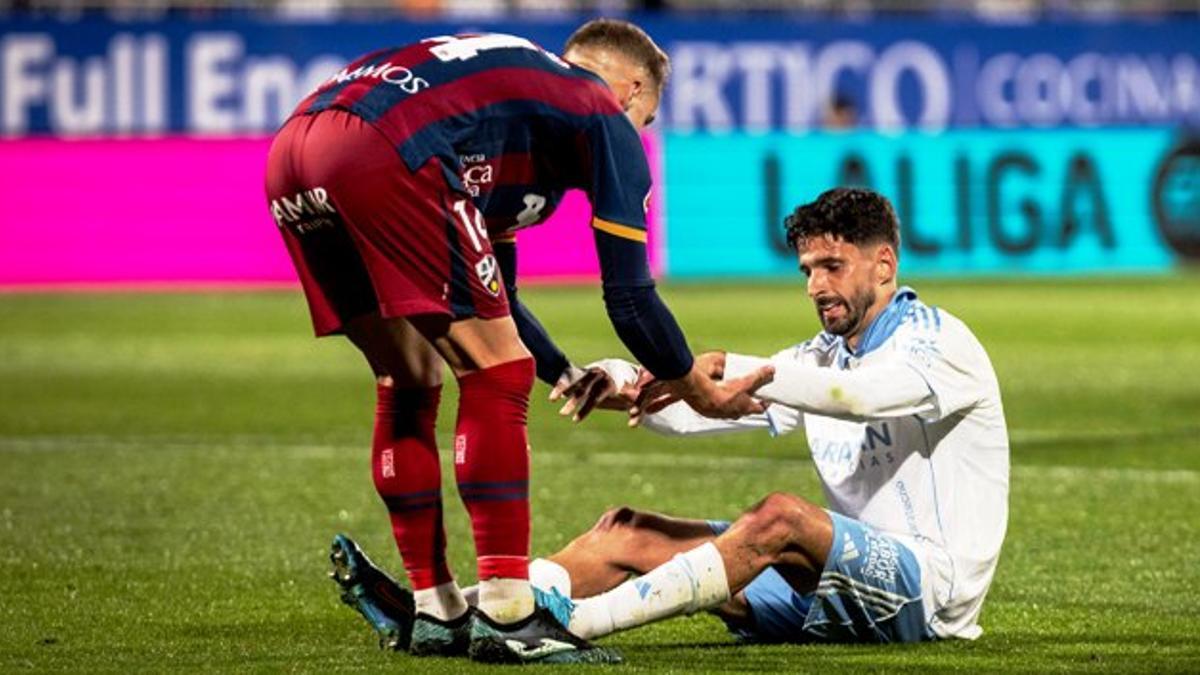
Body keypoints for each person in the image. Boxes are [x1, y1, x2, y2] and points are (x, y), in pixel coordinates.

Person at [264, 19, 767, 665]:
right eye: (647, 116)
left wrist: (562, 371)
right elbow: (631, 298)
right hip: (384, 148)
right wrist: (700, 390)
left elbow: (496, 295)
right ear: (632, 88)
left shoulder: (511, 115)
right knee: (497, 375)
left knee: (411, 376)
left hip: (295, 151)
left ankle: (436, 609)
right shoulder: (598, 109)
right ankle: (508, 610)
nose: (639, 130)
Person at [338, 187, 1009, 648]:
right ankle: (475, 609)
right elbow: (703, 414)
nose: (815, 286)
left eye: (832, 266)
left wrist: (746, 369)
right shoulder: (818, 356)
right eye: (807, 269)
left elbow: (866, 396)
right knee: (625, 530)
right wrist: (623, 381)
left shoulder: (938, 342)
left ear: (885, 264)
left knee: (779, 516)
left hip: (929, 594)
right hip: (829, 581)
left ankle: (570, 625)